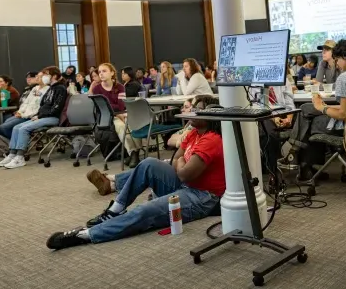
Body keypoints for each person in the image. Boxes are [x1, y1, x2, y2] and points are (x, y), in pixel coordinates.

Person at [46, 96, 225, 250]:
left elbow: (184, 173)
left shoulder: (212, 139)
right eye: (192, 107)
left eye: (197, 109)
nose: (192, 111)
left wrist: (180, 162)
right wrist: (181, 162)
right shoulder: (195, 133)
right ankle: (115, 209)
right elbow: (175, 161)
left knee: (144, 211)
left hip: (202, 197)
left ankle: (86, 235)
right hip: (185, 184)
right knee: (148, 163)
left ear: (211, 115)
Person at [295, 39, 346, 179]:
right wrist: (325, 106)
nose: (336, 63)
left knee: (309, 118)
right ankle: (305, 163)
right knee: (308, 109)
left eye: (337, 59)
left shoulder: (344, 77)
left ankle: (300, 159)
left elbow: (343, 114)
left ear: (343, 57)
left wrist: (322, 108)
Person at [0, 67, 67, 169]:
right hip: (42, 116)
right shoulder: (51, 88)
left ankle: (20, 157)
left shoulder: (60, 88)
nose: (44, 77)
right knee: (17, 127)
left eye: (46, 74)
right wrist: (38, 115)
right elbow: (42, 105)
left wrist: (39, 116)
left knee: (24, 129)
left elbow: (56, 107)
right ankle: (12, 154)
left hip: (52, 117)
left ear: (54, 76)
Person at [92, 63, 143, 168]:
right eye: (99, 72)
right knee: (121, 126)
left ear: (112, 73)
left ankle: (135, 153)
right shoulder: (96, 89)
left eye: (104, 71)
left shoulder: (120, 87)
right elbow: (102, 108)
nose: (101, 74)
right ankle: (133, 153)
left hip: (121, 113)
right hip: (107, 117)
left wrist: (112, 107)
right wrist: (115, 111)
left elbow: (121, 105)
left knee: (133, 123)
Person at [0, 73, 49, 141]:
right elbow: (25, 103)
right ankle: (16, 143)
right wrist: (20, 112)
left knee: (2, 127)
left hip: (26, 115)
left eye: (0, 81)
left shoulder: (9, 91)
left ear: (6, 83)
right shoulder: (33, 89)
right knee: (4, 124)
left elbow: (1, 105)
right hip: (21, 113)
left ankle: (20, 142)